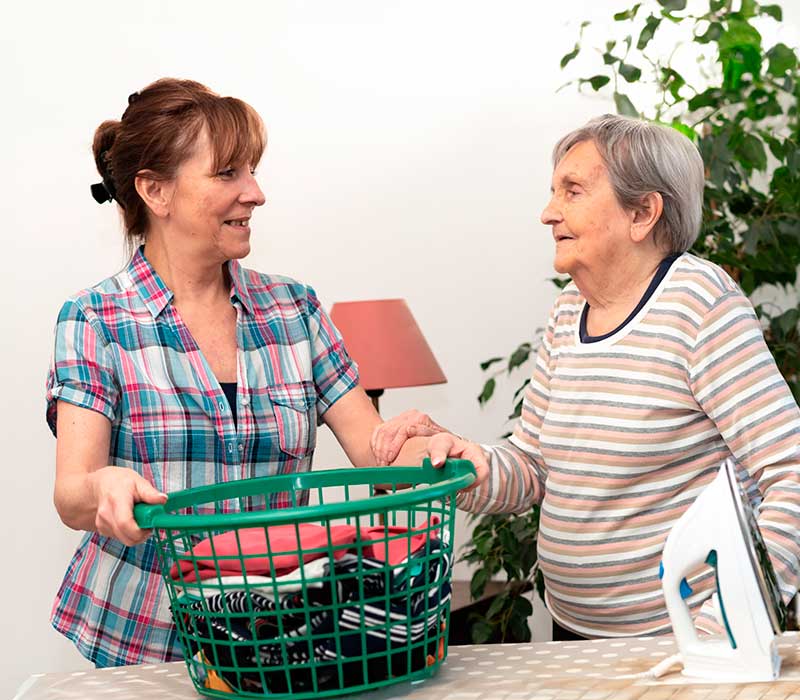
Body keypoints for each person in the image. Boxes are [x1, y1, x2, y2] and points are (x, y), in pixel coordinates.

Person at [373, 114, 800, 641]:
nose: (548, 213)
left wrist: (728, 624)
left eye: (572, 192)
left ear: (642, 212)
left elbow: (791, 471)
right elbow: (534, 468)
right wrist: (463, 458)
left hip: (683, 642)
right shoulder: (568, 312)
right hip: (576, 632)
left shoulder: (698, 303)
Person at [46, 78, 403, 667]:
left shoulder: (296, 309)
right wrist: (103, 488)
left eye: (254, 171)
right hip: (148, 642)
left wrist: (423, 446)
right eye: (228, 173)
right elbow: (72, 493)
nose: (256, 193)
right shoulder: (96, 319)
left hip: (281, 638)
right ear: (155, 191)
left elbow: (377, 450)